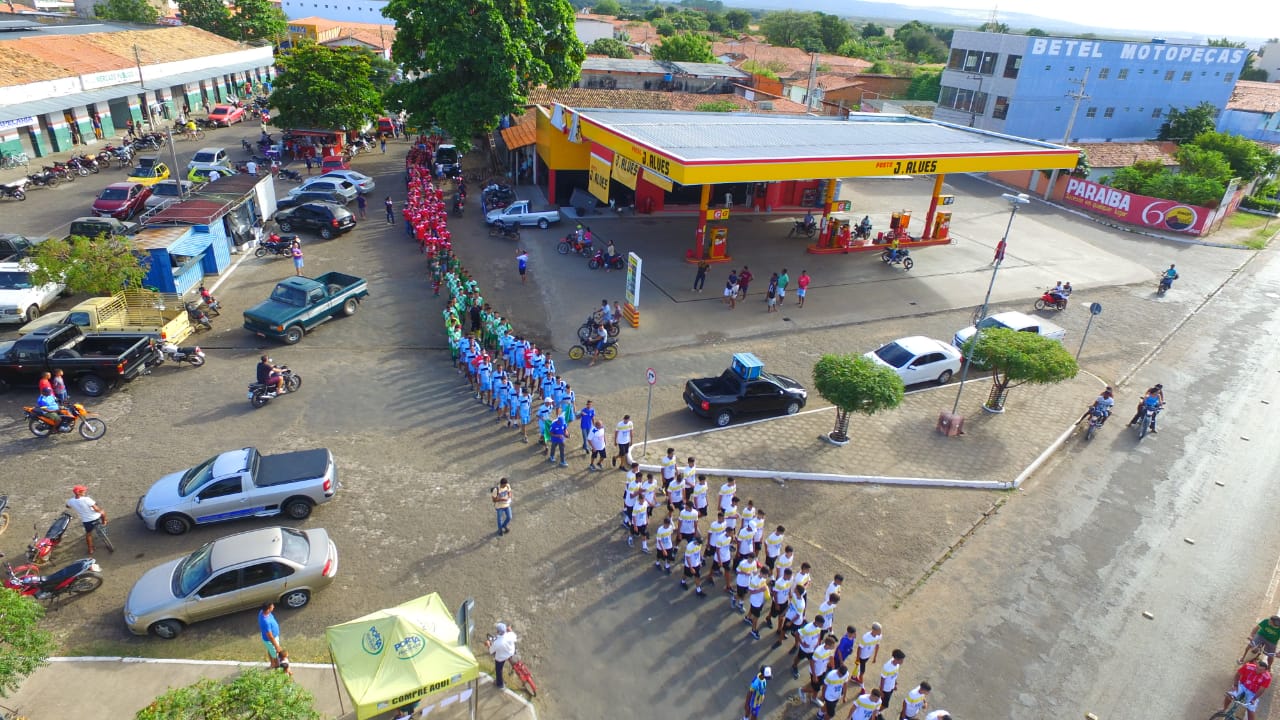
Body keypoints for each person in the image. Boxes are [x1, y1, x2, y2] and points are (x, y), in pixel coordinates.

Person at [487, 623, 517, 690]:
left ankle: (500, 684)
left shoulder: (497, 643)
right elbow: (514, 637)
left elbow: (490, 651)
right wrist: (510, 630)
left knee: (498, 670)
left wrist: (488, 644)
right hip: (511, 651)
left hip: (501, 658)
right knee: (510, 655)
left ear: (497, 632)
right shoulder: (510, 635)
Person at [259, 602, 284, 668]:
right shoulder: (266, 622)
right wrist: (277, 646)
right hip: (270, 640)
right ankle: (276, 665)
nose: (274, 607)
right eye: (272, 607)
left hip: (272, 638)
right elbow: (270, 636)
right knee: (275, 654)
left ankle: (272, 663)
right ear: (267, 610)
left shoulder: (262, 611)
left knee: (271, 651)